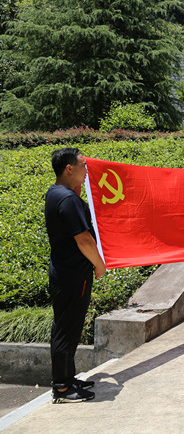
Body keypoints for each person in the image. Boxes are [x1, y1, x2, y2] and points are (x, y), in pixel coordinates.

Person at [46, 148, 106, 404]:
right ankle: (62, 387)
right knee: (66, 329)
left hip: (64, 272)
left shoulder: (56, 193)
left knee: (66, 327)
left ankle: (68, 379)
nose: (87, 171)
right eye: (83, 166)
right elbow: (83, 239)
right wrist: (99, 264)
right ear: (69, 168)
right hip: (73, 275)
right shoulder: (67, 199)